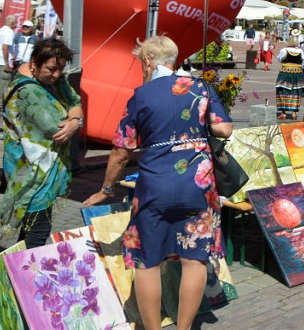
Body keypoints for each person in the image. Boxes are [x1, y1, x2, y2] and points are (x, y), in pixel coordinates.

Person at [84, 36, 232, 330]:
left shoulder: (141, 95)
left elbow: (121, 150)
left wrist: (107, 189)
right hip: (197, 184)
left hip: (154, 185)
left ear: (148, 62)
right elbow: (223, 128)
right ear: (173, 59)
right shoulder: (201, 87)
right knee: (194, 259)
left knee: (147, 262)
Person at [1, 37, 83, 248]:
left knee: (32, 231)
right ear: (35, 61)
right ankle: (23, 276)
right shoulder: (27, 91)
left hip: (42, 173)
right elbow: (54, 128)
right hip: (32, 176)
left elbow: (75, 102)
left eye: (61, 69)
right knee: (36, 233)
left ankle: (18, 276)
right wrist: (74, 121)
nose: (56, 75)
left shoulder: (49, 79)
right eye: (51, 69)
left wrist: (74, 121)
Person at [0, 15, 18, 110]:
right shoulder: (9, 32)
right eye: (16, 23)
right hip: (2, 60)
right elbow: (5, 47)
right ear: (12, 23)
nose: (16, 24)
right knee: (3, 82)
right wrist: (6, 63)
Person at [275, 42, 304, 120]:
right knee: (296, 91)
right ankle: (294, 113)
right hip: (297, 72)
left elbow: (279, 59)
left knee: (282, 90)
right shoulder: (300, 51)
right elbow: (303, 61)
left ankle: (283, 113)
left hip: (285, 72)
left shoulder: (284, 50)